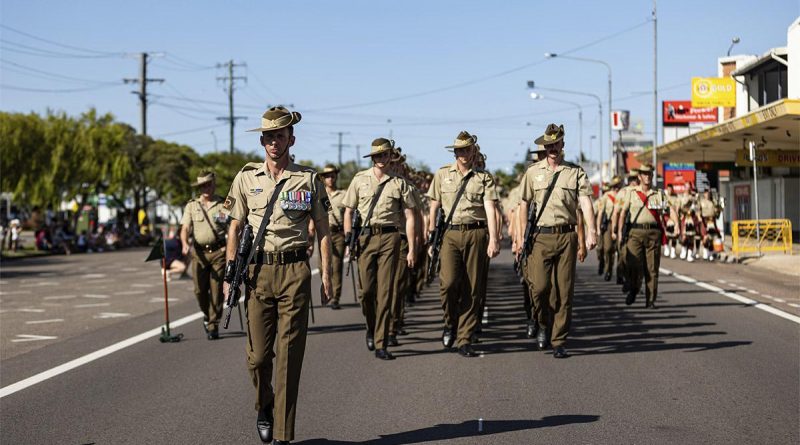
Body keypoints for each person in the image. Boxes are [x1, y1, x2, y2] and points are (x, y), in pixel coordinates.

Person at [222, 106, 333, 444]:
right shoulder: (246, 178)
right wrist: (229, 274)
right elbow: (234, 227)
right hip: (257, 271)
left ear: (291, 139)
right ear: (262, 140)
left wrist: (326, 275)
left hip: (296, 271)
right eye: (269, 137)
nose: (274, 142)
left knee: (288, 355)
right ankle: (264, 404)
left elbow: (325, 230)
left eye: (280, 136)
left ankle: (284, 435)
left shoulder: (308, 179)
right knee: (257, 358)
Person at [518, 124, 596, 359]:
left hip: (566, 236)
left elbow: (585, 203)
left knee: (564, 291)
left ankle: (559, 340)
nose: (553, 148)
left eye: (556, 143)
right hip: (540, 237)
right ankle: (542, 323)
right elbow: (523, 204)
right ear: (545, 146)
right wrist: (522, 236)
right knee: (540, 288)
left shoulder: (575, 172)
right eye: (549, 144)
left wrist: (592, 231)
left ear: (563, 144)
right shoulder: (533, 172)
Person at [428, 131, 500, 357]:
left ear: (473, 151)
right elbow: (434, 206)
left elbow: (490, 209)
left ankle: (464, 337)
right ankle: (450, 322)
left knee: (473, 287)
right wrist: (432, 237)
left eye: (467, 150)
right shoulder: (442, 174)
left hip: (476, 233)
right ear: (455, 152)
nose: (463, 154)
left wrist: (494, 238)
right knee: (448, 284)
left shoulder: (484, 178)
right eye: (459, 150)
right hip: (450, 234)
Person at [343, 138, 416, 361]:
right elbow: (348, 211)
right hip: (365, 239)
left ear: (390, 156)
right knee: (366, 292)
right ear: (372, 158)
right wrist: (349, 238)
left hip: (390, 238)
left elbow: (410, 216)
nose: (381, 159)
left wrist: (412, 248)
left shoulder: (399, 183)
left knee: (385, 292)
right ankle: (371, 327)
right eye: (377, 156)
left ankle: (381, 342)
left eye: (384, 155)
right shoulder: (359, 179)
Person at [180, 171, 229, 340]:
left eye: (208, 184)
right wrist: (185, 243)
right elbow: (185, 228)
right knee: (200, 290)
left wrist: (230, 250)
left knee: (216, 291)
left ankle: (213, 324)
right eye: (202, 186)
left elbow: (233, 228)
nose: (206, 188)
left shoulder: (225, 204)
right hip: (199, 253)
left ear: (214, 184)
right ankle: (207, 315)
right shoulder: (191, 206)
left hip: (219, 253)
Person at [618, 164, 673, 308]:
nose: (647, 176)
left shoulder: (659, 194)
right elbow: (623, 213)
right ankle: (634, 287)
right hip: (635, 233)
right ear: (639, 176)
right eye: (644, 174)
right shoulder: (631, 192)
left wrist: (677, 224)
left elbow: (669, 210)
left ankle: (651, 300)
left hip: (653, 234)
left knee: (652, 268)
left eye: (649, 174)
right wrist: (618, 232)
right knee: (633, 263)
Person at [318, 165, 346, 309]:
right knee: (322, 266)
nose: (330, 178)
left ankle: (335, 297)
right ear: (323, 178)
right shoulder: (319, 194)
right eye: (327, 175)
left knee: (336, 265)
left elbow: (349, 214)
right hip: (323, 234)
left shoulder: (343, 194)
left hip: (337, 234)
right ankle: (326, 292)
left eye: (332, 175)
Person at [610, 169, 639, 290]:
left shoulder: (644, 192)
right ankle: (622, 276)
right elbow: (616, 213)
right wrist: (615, 230)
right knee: (623, 255)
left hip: (637, 229)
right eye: (631, 179)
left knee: (635, 258)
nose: (634, 181)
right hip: (625, 227)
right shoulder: (623, 193)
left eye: (635, 179)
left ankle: (632, 281)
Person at [596, 176, 622, 282]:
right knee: (608, 249)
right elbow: (601, 213)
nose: (616, 188)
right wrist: (598, 228)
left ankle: (620, 274)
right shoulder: (606, 197)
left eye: (618, 186)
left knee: (620, 250)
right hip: (609, 225)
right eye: (614, 186)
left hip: (621, 224)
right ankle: (608, 270)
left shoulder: (623, 195)